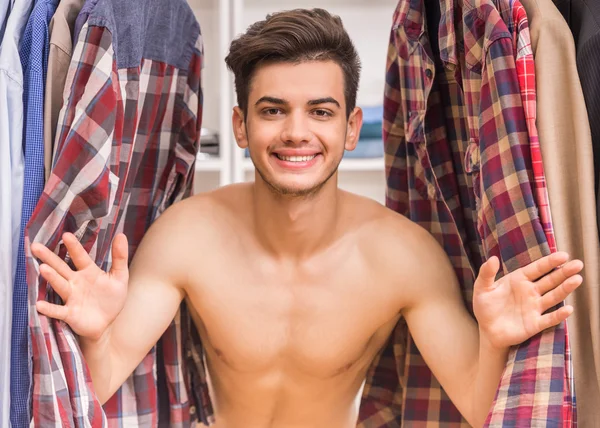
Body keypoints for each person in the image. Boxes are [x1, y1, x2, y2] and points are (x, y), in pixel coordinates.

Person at [32, 8, 584, 428]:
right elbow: (99, 383)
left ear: (351, 127)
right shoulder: (186, 238)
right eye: (273, 111)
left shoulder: (404, 256)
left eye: (320, 111)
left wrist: (492, 342)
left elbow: (475, 399)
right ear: (241, 126)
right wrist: (96, 335)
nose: (297, 133)